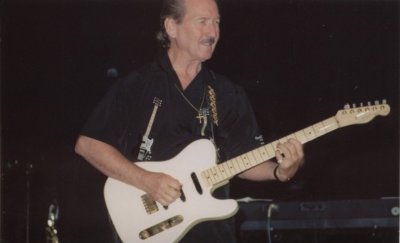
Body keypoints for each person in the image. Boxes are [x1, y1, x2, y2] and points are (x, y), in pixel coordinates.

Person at [74, 0, 304, 242]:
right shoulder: (137, 85)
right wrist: (146, 181)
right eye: (202, 22)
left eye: (217, 23)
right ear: (171, 27)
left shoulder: (228, 93)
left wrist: (281, 171)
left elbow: (244, 160)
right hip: (151, 227)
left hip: (213, 232)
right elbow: (88, 145)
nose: (213, 32)